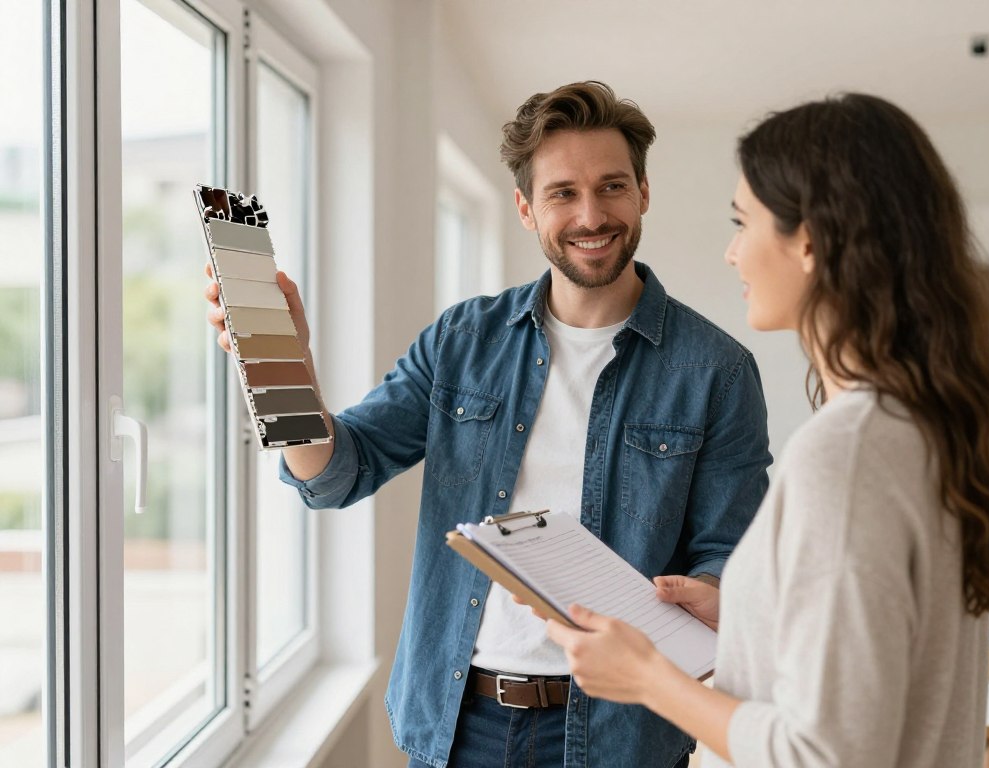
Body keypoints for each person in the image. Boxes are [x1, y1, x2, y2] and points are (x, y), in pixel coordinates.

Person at [205, 81, 772, 768]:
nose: (592, 215)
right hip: (456, 724)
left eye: (612, 187)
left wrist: (709, 592)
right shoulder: (461, 342)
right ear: (526, 208)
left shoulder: (718, 369)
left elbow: (729, 556)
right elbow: (336, 477)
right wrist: (282, 371)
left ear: (643, 192)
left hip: (623, 737)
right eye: (563, 192)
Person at [546, 92, 989, 768]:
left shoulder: (850, 454)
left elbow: (823, 754)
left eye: (744, 222)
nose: (732, 252)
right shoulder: (921, 428)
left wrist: (648, 678)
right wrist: (746, 617)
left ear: (810, 241)